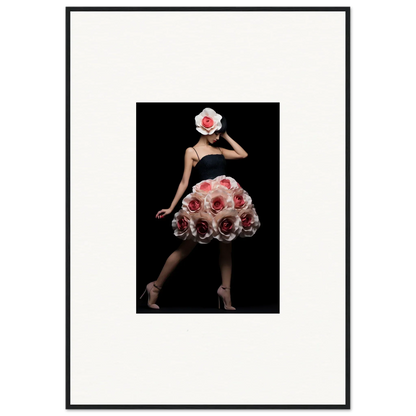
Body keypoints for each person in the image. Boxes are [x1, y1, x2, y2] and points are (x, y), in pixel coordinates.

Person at [140, 108, 260, 310]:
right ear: (206, 130)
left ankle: (226, 292)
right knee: (184, 249)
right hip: (205, 205)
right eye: (216, 132)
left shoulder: (220, 150)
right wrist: (171, 207)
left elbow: (243, 154)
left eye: (220, 133)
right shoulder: (192, 151)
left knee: (226, 247)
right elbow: (184, 181)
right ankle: (155, 287)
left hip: (225, 205)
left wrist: (226, 134)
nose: (218, 137)